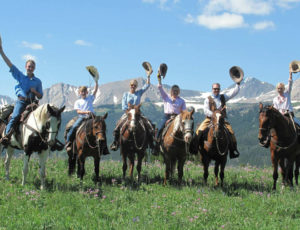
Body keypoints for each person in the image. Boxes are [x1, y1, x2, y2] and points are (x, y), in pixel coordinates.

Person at [0, 35, 43, 145]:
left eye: (32, 67)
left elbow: (40, 96)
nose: (30, 68)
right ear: (25, 67)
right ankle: (6, 136)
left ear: (34, 68)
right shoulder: (20, 76)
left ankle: (43, 140)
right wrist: (2, 52)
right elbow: (10, 65)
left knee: (43, 118)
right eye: (29, 66)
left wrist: (35, 92)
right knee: (15, 117)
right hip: (21, 101)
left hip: (32, 102)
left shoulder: (38, 81)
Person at [194, 82, 241, 159]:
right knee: (199, 130)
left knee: (231, 132)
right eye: (215, 89)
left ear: (219, 89)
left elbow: (233, 93)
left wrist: (238, 84)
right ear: (212, 89)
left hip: (221, 120)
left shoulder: (223, 97)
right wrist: (213, 114)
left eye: (218, 89)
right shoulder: (207, 99)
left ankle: (233, 150)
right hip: (209, 119)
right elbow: (205, 110)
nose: (216, 90)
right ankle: (195, 148)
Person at [110, 76, 154, 151]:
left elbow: (147, 85)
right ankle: (116, 142)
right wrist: (128, 111)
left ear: (136, 86)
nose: (133, 86)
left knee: (149, 124)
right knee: (118, 125)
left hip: (137, 113)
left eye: (134, 85)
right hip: (128, 113)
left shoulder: (139, 92)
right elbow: (124, 106)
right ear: (130, 86)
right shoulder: (126, 94)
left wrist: (148, 76)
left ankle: (151, 144)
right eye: (132, 85)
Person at [66, 82, 109, 154]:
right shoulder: (78, 102)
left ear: (87, 92)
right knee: (74, 127)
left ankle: (104, 147)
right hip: (82, 118)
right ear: (79, 93)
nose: (83, 93)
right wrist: (86, 112)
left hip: (92, 118)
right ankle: (69, 143)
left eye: (84, 91)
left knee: (101, 129)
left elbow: (95, 91)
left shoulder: (90, 98)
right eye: (82, 92)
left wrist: (96, 83)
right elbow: (78, 111)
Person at [153, 74, 186, 155]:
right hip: (167, 116)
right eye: (174, 90)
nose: (175, 92)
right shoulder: (166, 97)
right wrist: (159, 80)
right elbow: (160, 88)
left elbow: (184, 111)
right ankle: (156, 146)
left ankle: (186, 147)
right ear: (171, 91)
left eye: (176, 91)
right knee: (160, 128)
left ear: (178, 92)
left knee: (186, 130)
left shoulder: (182, 101)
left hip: (177, 117)